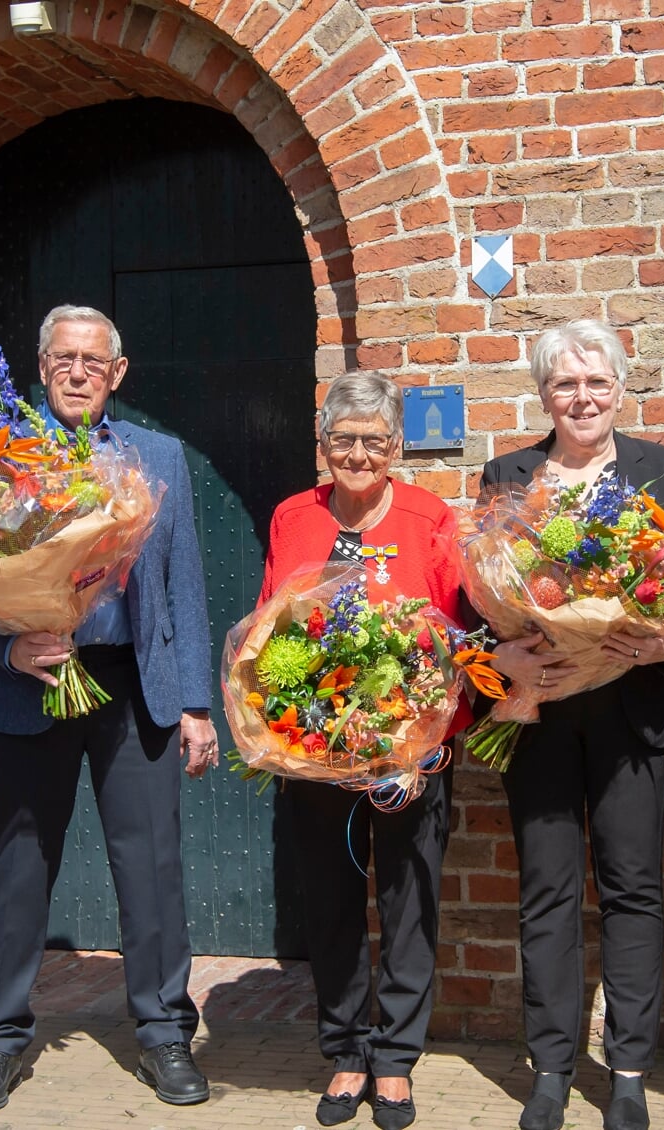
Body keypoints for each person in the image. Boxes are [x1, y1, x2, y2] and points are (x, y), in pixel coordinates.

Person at [0, 305, 219, 1114]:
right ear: (40, 367)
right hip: (34, 684)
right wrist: (9, 649)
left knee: (151, 866)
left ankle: (166, 1033)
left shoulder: (160, 456)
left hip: (135, 686)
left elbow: (184, 588)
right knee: (19, 865)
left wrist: (198, 705)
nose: (78, 372)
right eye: (64, 358)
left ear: (118, 374)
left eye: (93, 362)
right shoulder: (0, 459)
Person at [479, 320, 664, 1130]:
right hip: (542, 713)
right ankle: (551, 1067)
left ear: (619, 387)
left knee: (633, 888)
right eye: (565, 384)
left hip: (634, 713)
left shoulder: (659, 471)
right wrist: (509, 657)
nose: (582, 398)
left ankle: (631, 1071)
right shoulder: (508, 474)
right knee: (547, 891)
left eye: (596, 382)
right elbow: (483, 601)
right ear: (543, 395)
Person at [256, 373, 471, 1130]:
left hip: (414, 753)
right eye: (342, 439)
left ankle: (396, 1059)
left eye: (373, 440)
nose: (356, 453)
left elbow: (458, 640)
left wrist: (427, 736)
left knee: (410, 901)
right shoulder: (293, 515)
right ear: (323, 444)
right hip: (317, 749)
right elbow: (267, 622)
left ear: (397, 447)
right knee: (332, 900)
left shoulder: (429, 516)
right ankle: (346, 1049)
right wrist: (266, 720)